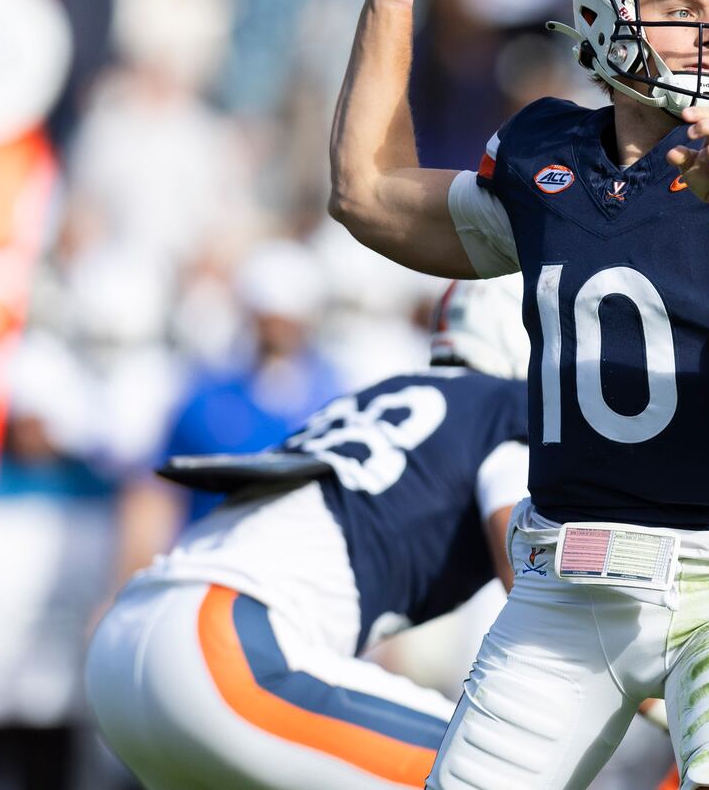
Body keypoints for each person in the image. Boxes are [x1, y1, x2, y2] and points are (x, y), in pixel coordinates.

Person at [326, 0, 709, 790]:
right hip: (563, 588)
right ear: (602, 8)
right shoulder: (546, 155)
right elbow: (368, 196)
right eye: (680, 5)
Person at [85, 277, 532, 790]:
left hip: (124, 651)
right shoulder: (510, 413)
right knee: (502, 769)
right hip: (226, 648)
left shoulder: (382, 393)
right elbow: (531, 577)